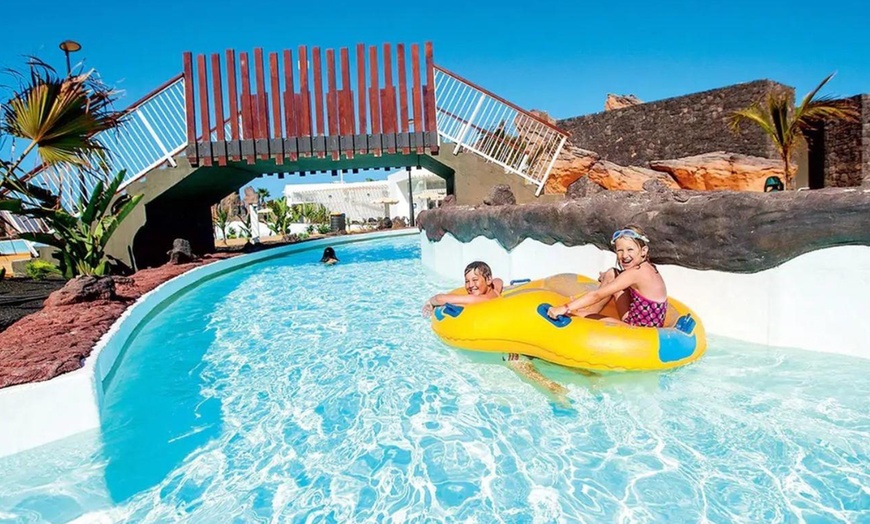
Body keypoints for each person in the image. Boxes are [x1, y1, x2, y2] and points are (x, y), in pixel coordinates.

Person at [547, 225, 668, 328]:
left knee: (577, 317)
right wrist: (606, 276)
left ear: (643, 251)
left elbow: (597, 295)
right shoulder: (646, 267)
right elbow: (620, 278)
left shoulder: (635, 273)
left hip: (639, 332)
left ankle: (587, 313)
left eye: (630, 249)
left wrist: (565, 308)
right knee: (612, 273)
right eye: (620, 250)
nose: (624, 255)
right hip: (638, 321)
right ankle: (588, 311)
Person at [422, 261, 503, 318]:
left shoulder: (477, 299)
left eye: (475, 280)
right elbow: (498, 280)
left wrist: (430, 302)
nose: (470, 285)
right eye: (467, 281)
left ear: (488, 279)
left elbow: (439, 299)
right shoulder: (495, 292)